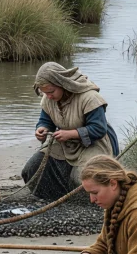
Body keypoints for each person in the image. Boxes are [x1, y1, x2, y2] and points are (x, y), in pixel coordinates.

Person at [22, 62, 119, 200]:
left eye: (51, 92)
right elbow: (45, 121)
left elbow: (99, 129)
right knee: (33, 168)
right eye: (44, 92)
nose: (48, 96)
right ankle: (53, 199)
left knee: (83, 177)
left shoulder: (89, 97)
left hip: (94, 143)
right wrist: (42, 129)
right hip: (65, 141)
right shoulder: (48, 98)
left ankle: (91, 202)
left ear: (62, 84)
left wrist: (71, 134)